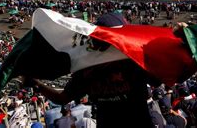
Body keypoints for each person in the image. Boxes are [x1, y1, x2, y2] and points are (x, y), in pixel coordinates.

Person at [24, 12, 159, 127]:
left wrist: (37, 85)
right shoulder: (134, 59)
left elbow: (62, 98)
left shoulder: (88, 67)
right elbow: (158, 81)